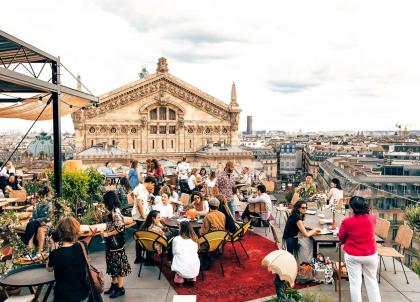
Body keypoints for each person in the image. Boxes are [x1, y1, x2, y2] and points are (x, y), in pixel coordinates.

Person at [338, 196, 381, 302]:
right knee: (372, 281)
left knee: (355, 284)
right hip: (370, 255)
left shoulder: (347, 222)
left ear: (352, 208)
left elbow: (341, 238)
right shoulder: (372, 219)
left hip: (353, 255)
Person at [47, 216, 98, 302]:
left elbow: (49, 268)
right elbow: (86, 241)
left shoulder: (55, 253)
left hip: (63, 298)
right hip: (82, 295)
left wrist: (52, 246)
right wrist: (91, 235)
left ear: (59, 232)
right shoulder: (82, 246)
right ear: (76, 232)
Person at [102, 191, 131, 298]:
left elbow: (120, 227)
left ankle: (120, 288)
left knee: (118, 265)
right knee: (112, 265)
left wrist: (107, 234)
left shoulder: (115, 212)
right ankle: (114, 285)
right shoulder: (114, 210)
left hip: (116, 244)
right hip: (112, 243)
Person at [132, 176, 156, 263]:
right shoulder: (141, 190)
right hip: (142, 218)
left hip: (139, 216)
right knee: (145, 236)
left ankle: (139, 257)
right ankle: (146, 259)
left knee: (140, 236)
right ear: (149, 182)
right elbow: (139, 204)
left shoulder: (138, 187)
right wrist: (144, 216)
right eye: (152, 185)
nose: (152, 187)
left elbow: (131, 195)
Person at [24, 188, 51, 259]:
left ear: (43, 197)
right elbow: (34, 216)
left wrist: (36, 220)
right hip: (37, 222)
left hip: (45, 222)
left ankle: (29, 249)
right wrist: (35, 208)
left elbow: (47, 217)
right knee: (31, 224)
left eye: (38, 197)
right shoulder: (38, 204)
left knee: (31, 224)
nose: (37, 199)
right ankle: (30, 248)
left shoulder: (49, 205)